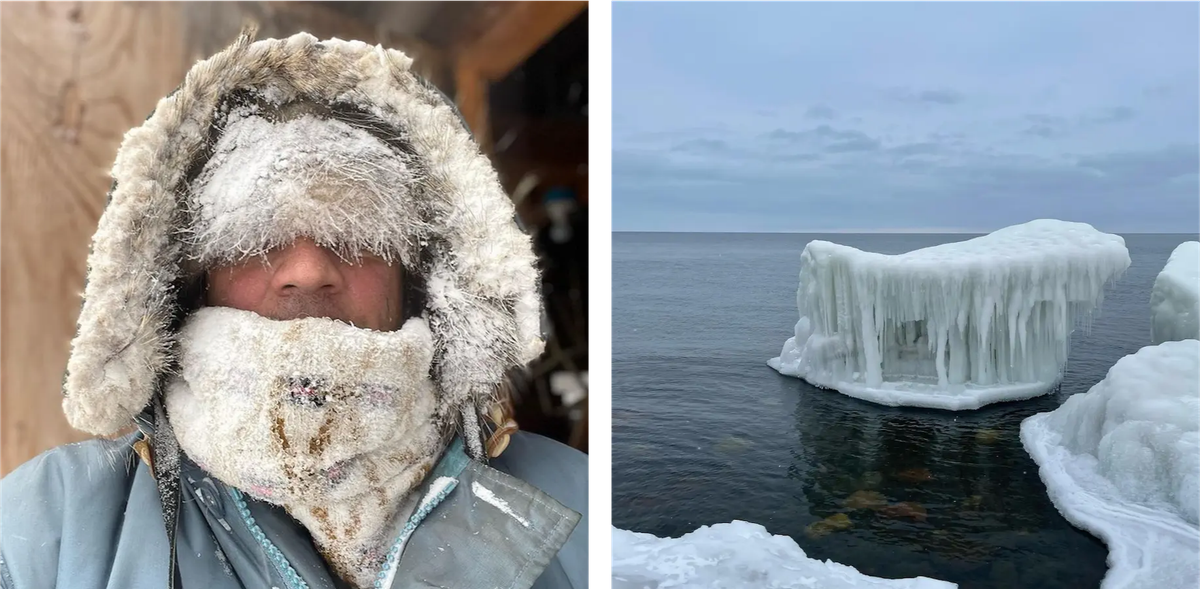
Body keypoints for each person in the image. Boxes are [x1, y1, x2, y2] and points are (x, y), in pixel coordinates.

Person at [0, 29, 588, 589]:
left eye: (358, 234)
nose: (308, 271)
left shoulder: (582, 509)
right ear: (190, 284)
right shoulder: (46, 530)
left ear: (419, 280)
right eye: (253, 239)